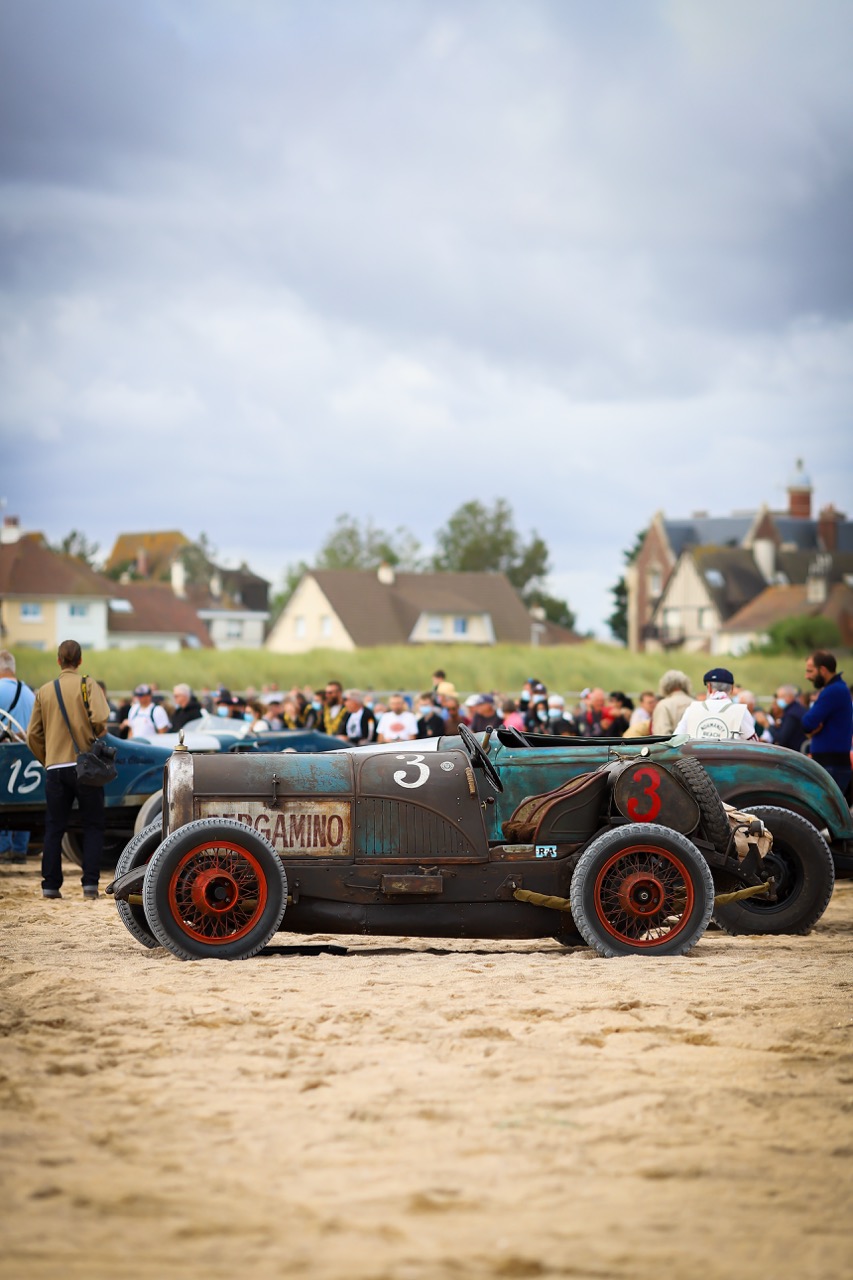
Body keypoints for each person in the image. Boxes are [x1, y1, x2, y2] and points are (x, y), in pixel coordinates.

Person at [26, 639, 111, 899]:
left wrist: (48, 758)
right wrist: (92, 735)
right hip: (84, 766)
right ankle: (89, 885)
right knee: (93, 825)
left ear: (58, 660)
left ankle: (50, 886)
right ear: (80, 660)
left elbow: (32, 734)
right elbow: (100, 718)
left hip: (55, 768)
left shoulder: (45, 690)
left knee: (54, 827)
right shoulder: (88, 684)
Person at [0, 650, 36, 863]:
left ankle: (3, 848)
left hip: (5, 754)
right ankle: (20, 850)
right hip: (27, 753)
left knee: (4, 802)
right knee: (24, 801)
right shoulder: (30, 693)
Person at [802, 651, 853, 799]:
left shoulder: (833, 691)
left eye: (810, 671)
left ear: (823, 670)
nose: (807, 676)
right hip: (831, 764)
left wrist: (811, 728)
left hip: (831, 766)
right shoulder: (836, 689)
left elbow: (808, 723)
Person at [675, 668, 757, 740]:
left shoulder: (692, 709)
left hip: (696, 758)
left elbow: (676, 739)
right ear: (731, 689)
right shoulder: (741, 711)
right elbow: (753, 743)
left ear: (709, 687)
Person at [651, 670, 693, 736]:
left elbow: (661, 735)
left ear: (664, 685)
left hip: (674, 745)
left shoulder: (663, 705)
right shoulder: (695, 703)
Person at [770, 684, 807, 753]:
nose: (778, 700)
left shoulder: (792, 714)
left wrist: (768, 726)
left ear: (790, 697)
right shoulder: (796, 709)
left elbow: (781, 738)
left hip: (795, 754)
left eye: (780, 697)